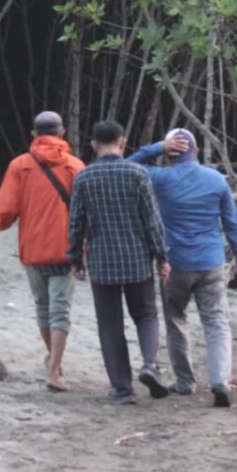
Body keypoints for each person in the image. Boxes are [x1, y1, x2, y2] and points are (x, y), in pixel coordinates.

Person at [127, 128, 237, 408]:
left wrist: (157, 146)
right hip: (211, 262)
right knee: (216, 321)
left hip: (175, 263)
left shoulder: (162, 178)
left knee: (175, 319)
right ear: (197, 152)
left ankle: (185, 381)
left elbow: (128, 165)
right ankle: (219, 380)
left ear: (171, 156)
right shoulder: (216, 179)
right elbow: (233, 225)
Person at [66, 120, 172, 405]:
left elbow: (76, 223)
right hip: (137, 258)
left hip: (102, 261)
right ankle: (149, 364)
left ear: (93, 145)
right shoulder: (137, 173)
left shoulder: (84, 178)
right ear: (123, 143)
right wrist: (162, 256)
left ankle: (122, 389)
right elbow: (152, 220)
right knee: (147, 314)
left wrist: (76, 258)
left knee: (110, 326)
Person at [0, 111, 84, 393]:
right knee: (60, 311)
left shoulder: (20, 166)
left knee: (44, 309)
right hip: (66, 250)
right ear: (62, 132)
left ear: (34, 134)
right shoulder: (75, 166)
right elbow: (84, 210)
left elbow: (7, 211)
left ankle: (53, 363)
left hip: (32, 251)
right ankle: (54, 369)